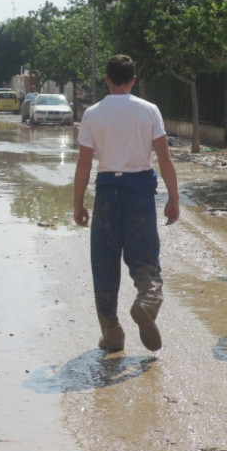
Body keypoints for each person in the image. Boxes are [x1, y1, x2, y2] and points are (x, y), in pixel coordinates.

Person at [73, 54, 180, 353]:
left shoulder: (93, 113)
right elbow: (164, 158)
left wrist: (78, 203)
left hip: (107, 191)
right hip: (140, 190)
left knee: (104, 263)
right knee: (145, 258)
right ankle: (147, 300)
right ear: (133, 80)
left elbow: (84, 164)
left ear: (106, 79)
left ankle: (112, 333)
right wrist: (174, 198)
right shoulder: (149, 111)